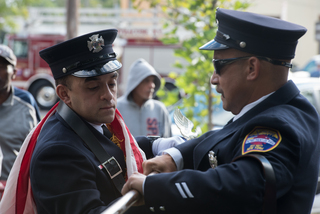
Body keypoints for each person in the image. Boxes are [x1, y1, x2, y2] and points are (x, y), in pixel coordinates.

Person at [122, 8, 320, 213]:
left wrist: (156, 187)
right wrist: (175, 156)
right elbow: (223, 138)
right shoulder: (274, 111)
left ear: (252, 68)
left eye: (219, 66)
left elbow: (245, 183)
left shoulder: (279, 123)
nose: (213, 79)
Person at [0, 29, 180, 214]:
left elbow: (110, 144)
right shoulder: (57, 153)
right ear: (64, 94)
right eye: (93, 87)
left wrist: (156, 144)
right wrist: (158, 194)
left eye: (112, 83)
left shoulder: (84, 120)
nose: (108, 96)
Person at [0, 45, 40, 187]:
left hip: (15, 191)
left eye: (2, 66)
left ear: (14, 72)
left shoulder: (26, 104)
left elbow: (38, 146)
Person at [117, 58, 172, 138]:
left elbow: (168, 142)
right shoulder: (117, 108)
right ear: (135, 83)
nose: (152, 85)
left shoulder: (159, 109)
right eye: (146, 81)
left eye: (153, 81)